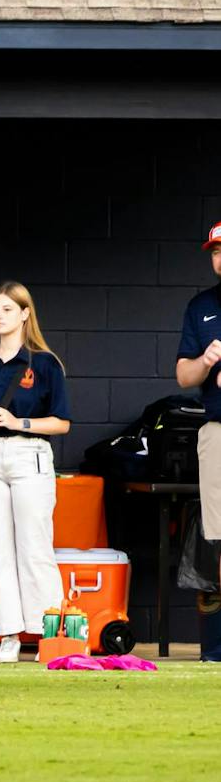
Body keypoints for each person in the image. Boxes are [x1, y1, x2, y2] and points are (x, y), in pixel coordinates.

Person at [0, 283, 70, 662]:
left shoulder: (45, 363)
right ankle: (8, 632)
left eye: (7, 309)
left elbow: (61, 423)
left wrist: (19, 421)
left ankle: (46, 632)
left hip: (28, 454)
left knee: (34, 545)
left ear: (24, 313)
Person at [175, 219, 221, 593]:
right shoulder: (201, 305)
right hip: (217, 430)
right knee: (219, 534)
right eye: (217, 252)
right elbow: (183, 375)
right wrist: (206, 363)